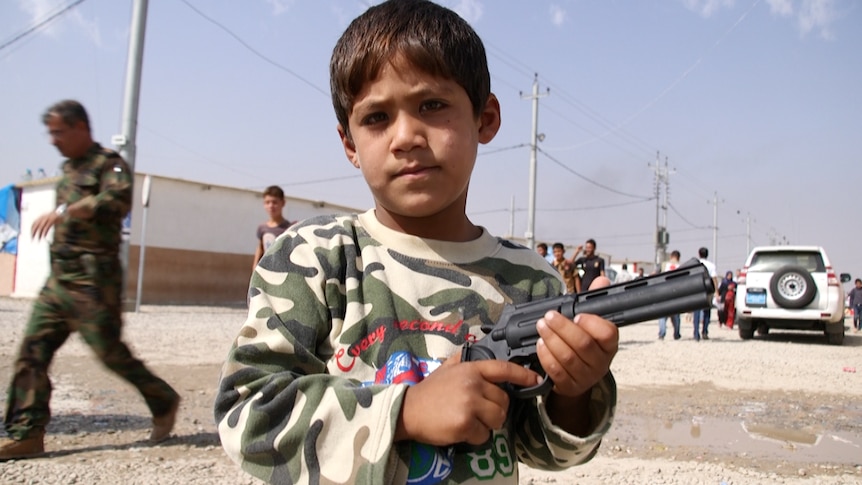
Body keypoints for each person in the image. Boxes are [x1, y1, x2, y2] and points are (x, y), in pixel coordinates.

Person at [213, 2, 619, 483]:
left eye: (432, 105)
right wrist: (403, 411)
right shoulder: (315, 258)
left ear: (485, 118)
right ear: (349, 144)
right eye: (377, 118)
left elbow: (542, 449)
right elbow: (250, 412)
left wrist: (575, 392)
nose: (405, 136)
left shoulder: (531, 282)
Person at [0, 100, 180, 461]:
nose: (53, 140)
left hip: (93, 283)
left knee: (111, 354)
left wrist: (68, 210)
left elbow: (117, 199)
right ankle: (26, 433)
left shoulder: (108, 164)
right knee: (31, 353)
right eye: (51, 133)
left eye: (59, 132)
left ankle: (162, 398)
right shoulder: (68, 168)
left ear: (81, 127)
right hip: (59, 281)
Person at [252, 185, 292, 269]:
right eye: (267, 202)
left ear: (283, 203)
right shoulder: (262, 228)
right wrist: (255, 268)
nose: (271, 206)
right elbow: (260, 248)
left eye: (274, 202)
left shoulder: (289, 228)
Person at [692, 247, 719, 341]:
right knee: (707, 312)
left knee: (696, 312)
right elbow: (715, 279)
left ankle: (696, 333)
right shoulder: (711, 265)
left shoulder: (695, 265)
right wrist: (717, 292)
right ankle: (705, 332)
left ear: (699, 254)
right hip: (707, 290)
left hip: (697, 290)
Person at [657, 250, 682, 340]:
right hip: (676, 293)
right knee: (676, 315)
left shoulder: (664, 265)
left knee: (663, 315)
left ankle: (662, 333)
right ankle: (676, 334)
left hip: (664, 291)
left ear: (671, 256)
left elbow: (657, 276)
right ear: (678, 257)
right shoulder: (681, 266)